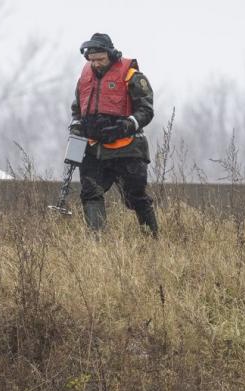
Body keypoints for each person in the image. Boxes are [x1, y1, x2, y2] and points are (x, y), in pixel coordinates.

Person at [69, 32, 158, 237]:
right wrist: (76, 126)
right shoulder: (84, 79)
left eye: (100, 59)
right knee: (90, 193)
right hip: (94, 149)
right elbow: (77, 110)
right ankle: (97, 242)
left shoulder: (132, 76)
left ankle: (152, 238)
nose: (96, 64)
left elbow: (146, 110)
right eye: (92, 60)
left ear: (110, 55)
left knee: (135, 197)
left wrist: (126, 125)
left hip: (128, 148)